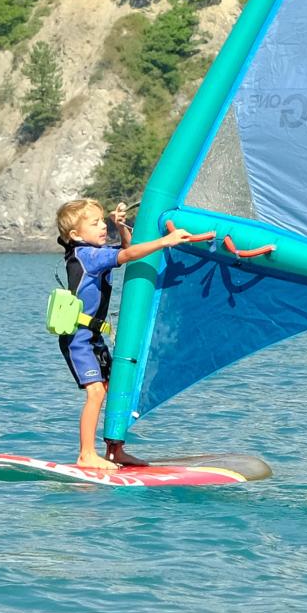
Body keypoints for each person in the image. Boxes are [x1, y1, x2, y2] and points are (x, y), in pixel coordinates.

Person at [56, 199, 201, 470]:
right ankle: (86, 454)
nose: (102, 227)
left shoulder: (95, 250)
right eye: (95, 223)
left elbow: (126, 247)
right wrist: (165, 241)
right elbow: (129, 255)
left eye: (103, 221)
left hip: (94, 338)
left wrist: (120, 225)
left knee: (115, 389)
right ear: (75, 235)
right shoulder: (86, 255)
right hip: (78, 339)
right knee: (96, 393)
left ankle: (115, 451)